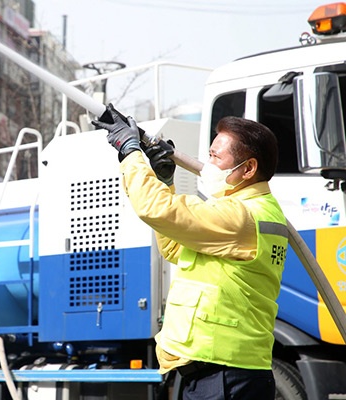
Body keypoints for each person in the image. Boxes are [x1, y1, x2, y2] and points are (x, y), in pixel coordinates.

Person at [92, 105, 288, 399]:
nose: (207, 165)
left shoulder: (239, 216)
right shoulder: (253, 211)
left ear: (248, 169)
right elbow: (173, 248)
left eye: (215, 158)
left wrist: (130, 153)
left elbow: (155, 209)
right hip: (223, 372)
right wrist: (166, 182)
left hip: (223, 374)